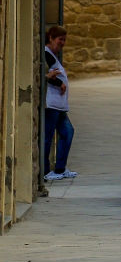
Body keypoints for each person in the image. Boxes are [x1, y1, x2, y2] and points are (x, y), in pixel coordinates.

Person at [43, 25, 77, 181]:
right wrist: (59, 83)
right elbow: (45, 75)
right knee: (48, 137)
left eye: (64, 40)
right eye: (60, 39)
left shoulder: (52, 56)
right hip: (52, 105)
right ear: (51, 38)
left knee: (67, 132)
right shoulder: (46, 54)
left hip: (59, 105)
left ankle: (60, 169)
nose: (62, 43)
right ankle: (45, 171)